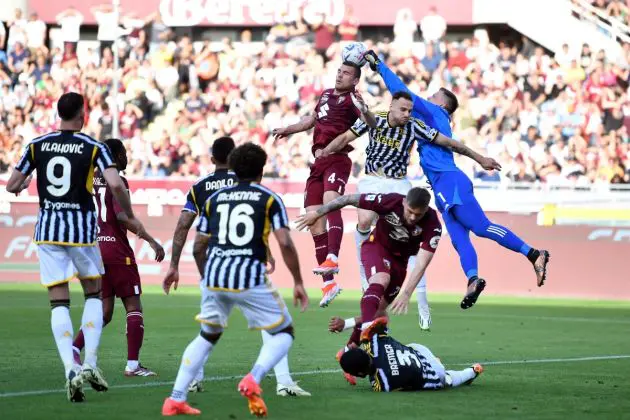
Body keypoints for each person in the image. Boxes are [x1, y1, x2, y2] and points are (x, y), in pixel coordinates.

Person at [363, 51, 550, 309]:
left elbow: (400, 90)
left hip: (450, 182)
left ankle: (533, 253)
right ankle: (473, 279)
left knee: (481, 226)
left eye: (433, 96)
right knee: (459, 239)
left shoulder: (434, 114)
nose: (427, 98)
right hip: (442, 185)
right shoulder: (432, 118)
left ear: (441, 104)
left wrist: (378, 65)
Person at [316, 91, 501, 329]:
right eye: (403, 110)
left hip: (398, 183)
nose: (407, 114)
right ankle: (367, 282)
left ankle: (422, 303)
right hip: (373, 179)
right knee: (363, 221)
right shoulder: (374, 118)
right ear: (392, 105)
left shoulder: (415, 126)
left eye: (409, 111)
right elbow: (344, 138)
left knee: (412, 239)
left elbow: (449, 142)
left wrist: (479, 158)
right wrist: (323, 154)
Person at [5, 92, 146, 402]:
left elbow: (12, 185)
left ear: (58, 113)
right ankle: (92, 363)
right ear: (82, 114)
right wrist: (131, 214)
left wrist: (27, 184)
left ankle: (71, 367)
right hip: (81, 232)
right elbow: (117, 184)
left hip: (48, 231)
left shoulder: (37, 144)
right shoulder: (94, 147)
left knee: (59, 302)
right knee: (93, 294)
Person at [162, 143, 309, 417]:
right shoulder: (268, 198)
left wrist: (209, 278)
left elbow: (197, 247)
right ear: (261, 171)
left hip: (215, 275)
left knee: (207, 335)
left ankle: (175, 398)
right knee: (284, 332)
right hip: (249, 277)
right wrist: (298, 281)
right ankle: (254, 377)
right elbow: (286, 243)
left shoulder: (213, 200)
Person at [296, 188, 442, 382]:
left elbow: (422, 263)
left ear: (425, 211)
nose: (413, 217)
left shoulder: (433, 225)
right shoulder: (389, 200)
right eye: (410, 211)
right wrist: (317, 213)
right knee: (381, 280)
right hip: (376, 247)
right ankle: (367, 331)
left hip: (401, 262)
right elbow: (347, 199)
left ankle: (348, 350)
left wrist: (406, 293)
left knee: (380, 312)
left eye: (418, 214)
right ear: (404, 203)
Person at [272, 62, 375, 308]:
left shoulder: (354, 99)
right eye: (339, 71)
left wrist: (366, 111)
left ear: (355, 80)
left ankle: (332, 257)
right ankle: (329, 283)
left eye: (347, 73)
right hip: (317, 161)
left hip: (337, 159)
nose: (340, 75)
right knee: (314, 220)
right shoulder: (326, 94)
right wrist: (288, 129)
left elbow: (371, 123)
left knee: (331, 203)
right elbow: (311, 121)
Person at [72, 138, 164, 377]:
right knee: (133, 306)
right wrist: (151, 240)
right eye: (122, 153)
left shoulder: (88, 179)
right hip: (116, 251)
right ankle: (133, 366)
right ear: (113, 156)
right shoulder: (118, 181)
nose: (126, 157)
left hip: (93, 250)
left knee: (104, 312)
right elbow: (122, 216)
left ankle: (73, 348)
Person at [338, 317, 484, 392]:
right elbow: (382, 321)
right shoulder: (374, 343)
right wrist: (365, 336)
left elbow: (378, 377)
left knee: (445, 379)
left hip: (434, 372)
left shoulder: (382, 384)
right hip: (419, 349)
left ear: (359, 373)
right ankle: (433, 360)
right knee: (407, 348)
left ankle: (472, 371)